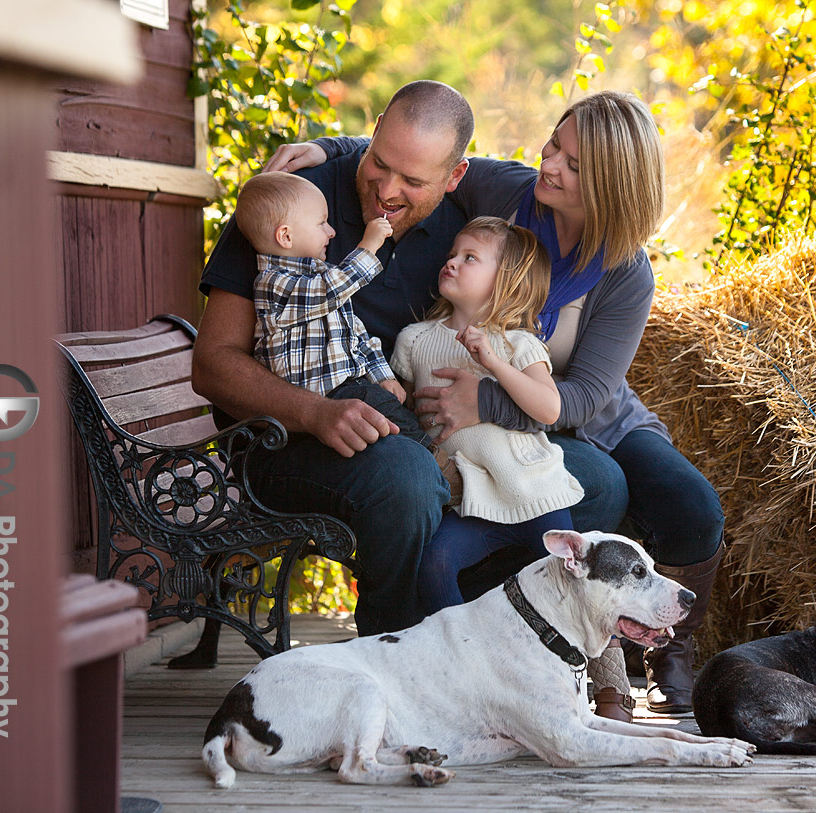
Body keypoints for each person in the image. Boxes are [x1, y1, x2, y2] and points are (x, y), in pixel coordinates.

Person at [265, 90, 726, 719]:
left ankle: (668, 658)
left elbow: (587, 396)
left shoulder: (625, 272)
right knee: (579, 492)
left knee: (692, 505)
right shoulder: (511, 193)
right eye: (554, 143)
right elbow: (417, 160)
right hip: (513, 419)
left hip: (592, 414)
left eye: (573, 163)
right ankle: (490, 657)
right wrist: (327, 148)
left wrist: (485, 401)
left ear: (612, 186)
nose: (550, 162)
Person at [194, 81, 625, 643]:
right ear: (371, 134)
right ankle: (396, 651)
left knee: (597, 481)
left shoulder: (459, 228)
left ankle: (490, 639)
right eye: (378, 162)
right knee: (408, 477)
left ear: (454, 178)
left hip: (415, 428)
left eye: (413, 181)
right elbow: (213, 363)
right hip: (285, 438)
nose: (386, 191)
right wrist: (314, 413)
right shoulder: (291, 204)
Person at [392, 217, 583, 613]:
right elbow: (408, 408)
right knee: (435, 565)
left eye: (470, 257)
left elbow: (549, 408)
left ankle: (598, 668)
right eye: (452, 254)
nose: (453, 262)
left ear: (506, 280)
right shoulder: (415, 339)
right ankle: (463, 660)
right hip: (474, 499)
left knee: (571, 582)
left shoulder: (517, 343)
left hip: (535, 492)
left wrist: (493, 363)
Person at [237, 171, 424, 444]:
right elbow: (332, 289)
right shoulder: (275, 286)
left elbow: (357, 335)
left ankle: (427, 459)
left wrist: (383, 377)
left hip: (351, 389)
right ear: (286, 236)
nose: (331, 231)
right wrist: (369, 245)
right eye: (322, 223)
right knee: (394, 421)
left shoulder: (325, 278)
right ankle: (437, 463)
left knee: (390, 412)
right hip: (322, 398)